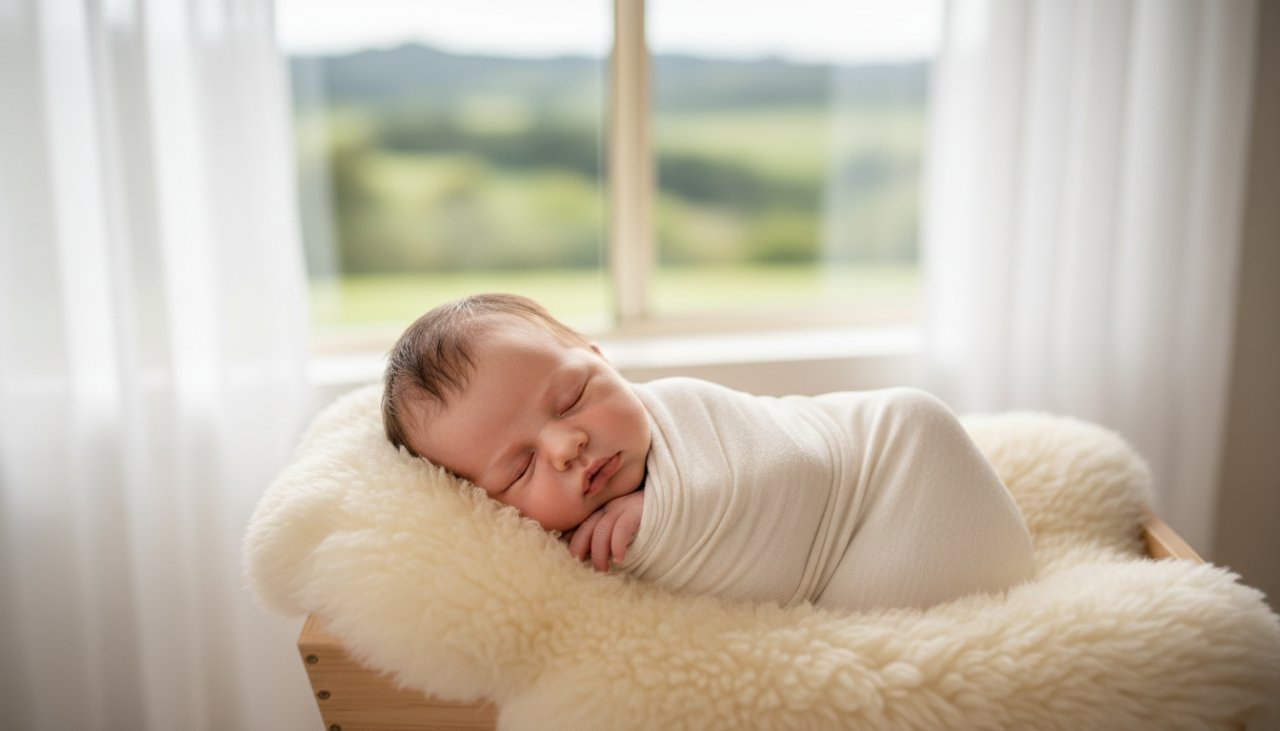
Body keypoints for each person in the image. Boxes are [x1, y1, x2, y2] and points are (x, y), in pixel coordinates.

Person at [382, 293, 1035, 611]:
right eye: (519, 467)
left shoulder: (685, 409)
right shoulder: (547, 554)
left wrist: (662, 519)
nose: (565, 443)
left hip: (900, 466)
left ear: (600, 358)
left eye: (573, 395)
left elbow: (793, 467)